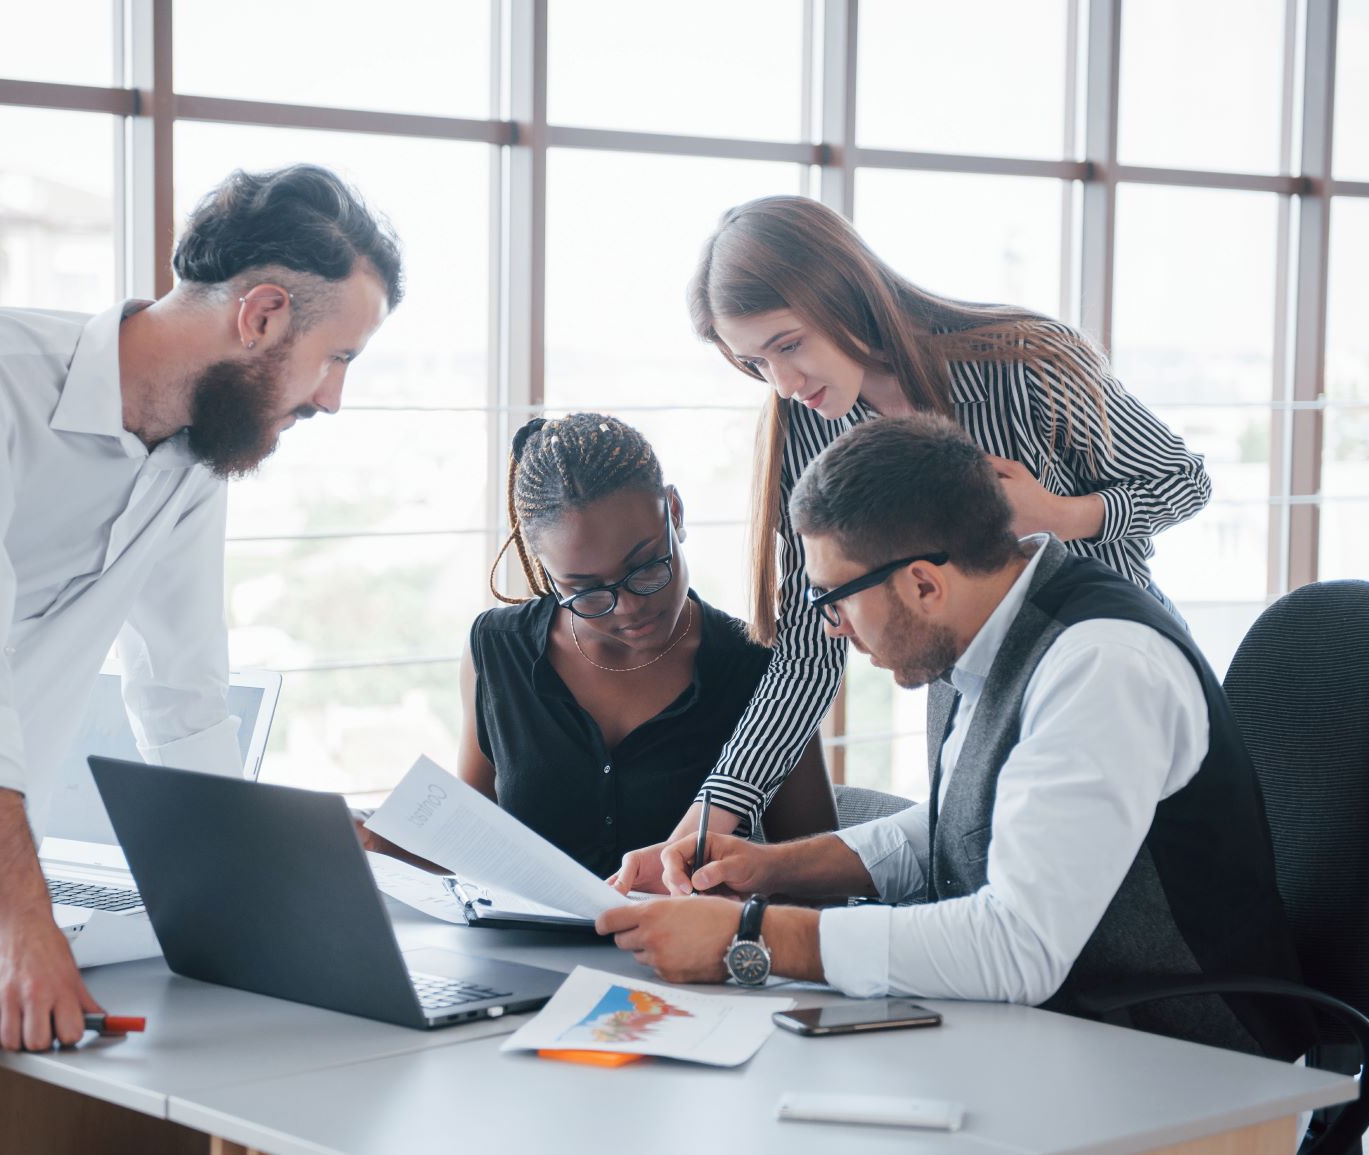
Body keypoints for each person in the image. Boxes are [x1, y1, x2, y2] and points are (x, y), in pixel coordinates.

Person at [0, 164, 401, 1153]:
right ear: (262, 316)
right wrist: (19, 918)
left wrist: (266, 885)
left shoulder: (193, 473)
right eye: (337, 357)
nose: (335, 398)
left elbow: (181, 700)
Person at [598, 415, 1311, 1059]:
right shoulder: (977, 628)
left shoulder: (1100, 667)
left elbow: (1015, 947)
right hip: (1065, 1025)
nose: (830, 626)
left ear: (921, 585)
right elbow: (965, 822)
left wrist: (745, 936)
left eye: (832, 597)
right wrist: (765, 869)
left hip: (1181, 1053)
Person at [613, 193, 1214, 893]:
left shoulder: (1024, 363)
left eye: (788, 344)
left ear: (842, 293)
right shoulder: (802, 429)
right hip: (967, 697)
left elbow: (1181, 481)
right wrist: (706, 818)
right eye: (755, 363)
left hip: (1103, 675)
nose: (783, 381)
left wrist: (1056, 512)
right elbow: (807, 652)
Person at [360, 412, 842, 879]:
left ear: (674, 512)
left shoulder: (763, 667)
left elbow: (822, 880)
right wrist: (378, 843)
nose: (629, 608)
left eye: (648, 567)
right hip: (521, 956)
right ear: (546, 569)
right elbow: (477, 838)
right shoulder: (496, 649)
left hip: (694, 957)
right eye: (586, 590)